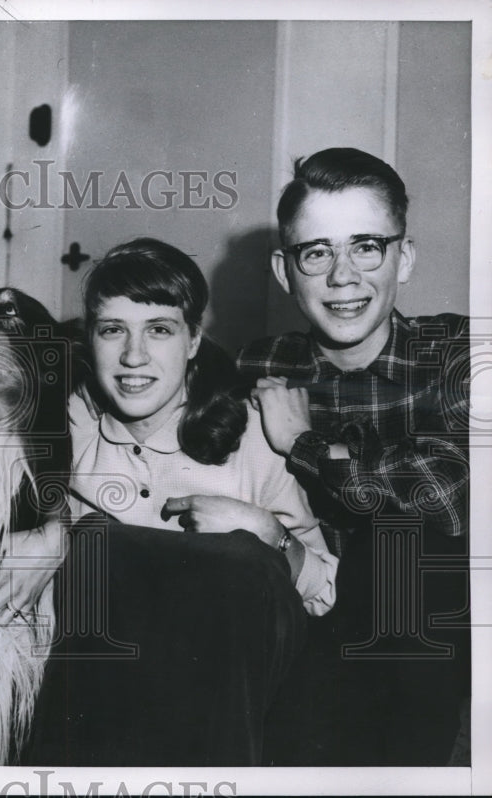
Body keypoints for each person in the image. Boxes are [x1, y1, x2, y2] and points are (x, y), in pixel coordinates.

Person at [25, 237, 335, 766]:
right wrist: (52, 536)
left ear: (193, 340)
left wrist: (266, 533)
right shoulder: (62, 427)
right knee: (98, 545)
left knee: (236, 558)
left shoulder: (252, 435)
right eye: (112, 330)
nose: (133, 356)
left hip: (223, 700)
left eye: (160, 330)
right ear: (90, 340)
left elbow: (322, 592)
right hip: (104, 697)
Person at [236, 147, 470, 766]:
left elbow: (445, 498)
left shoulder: (458, 354)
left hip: (417, 644)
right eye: (317, 252)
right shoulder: (256, 367)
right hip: (302, 622)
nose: (343, 276)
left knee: (406, 541)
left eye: (366, 246)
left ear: (405, 257)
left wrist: (302, 443)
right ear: (285, 271)